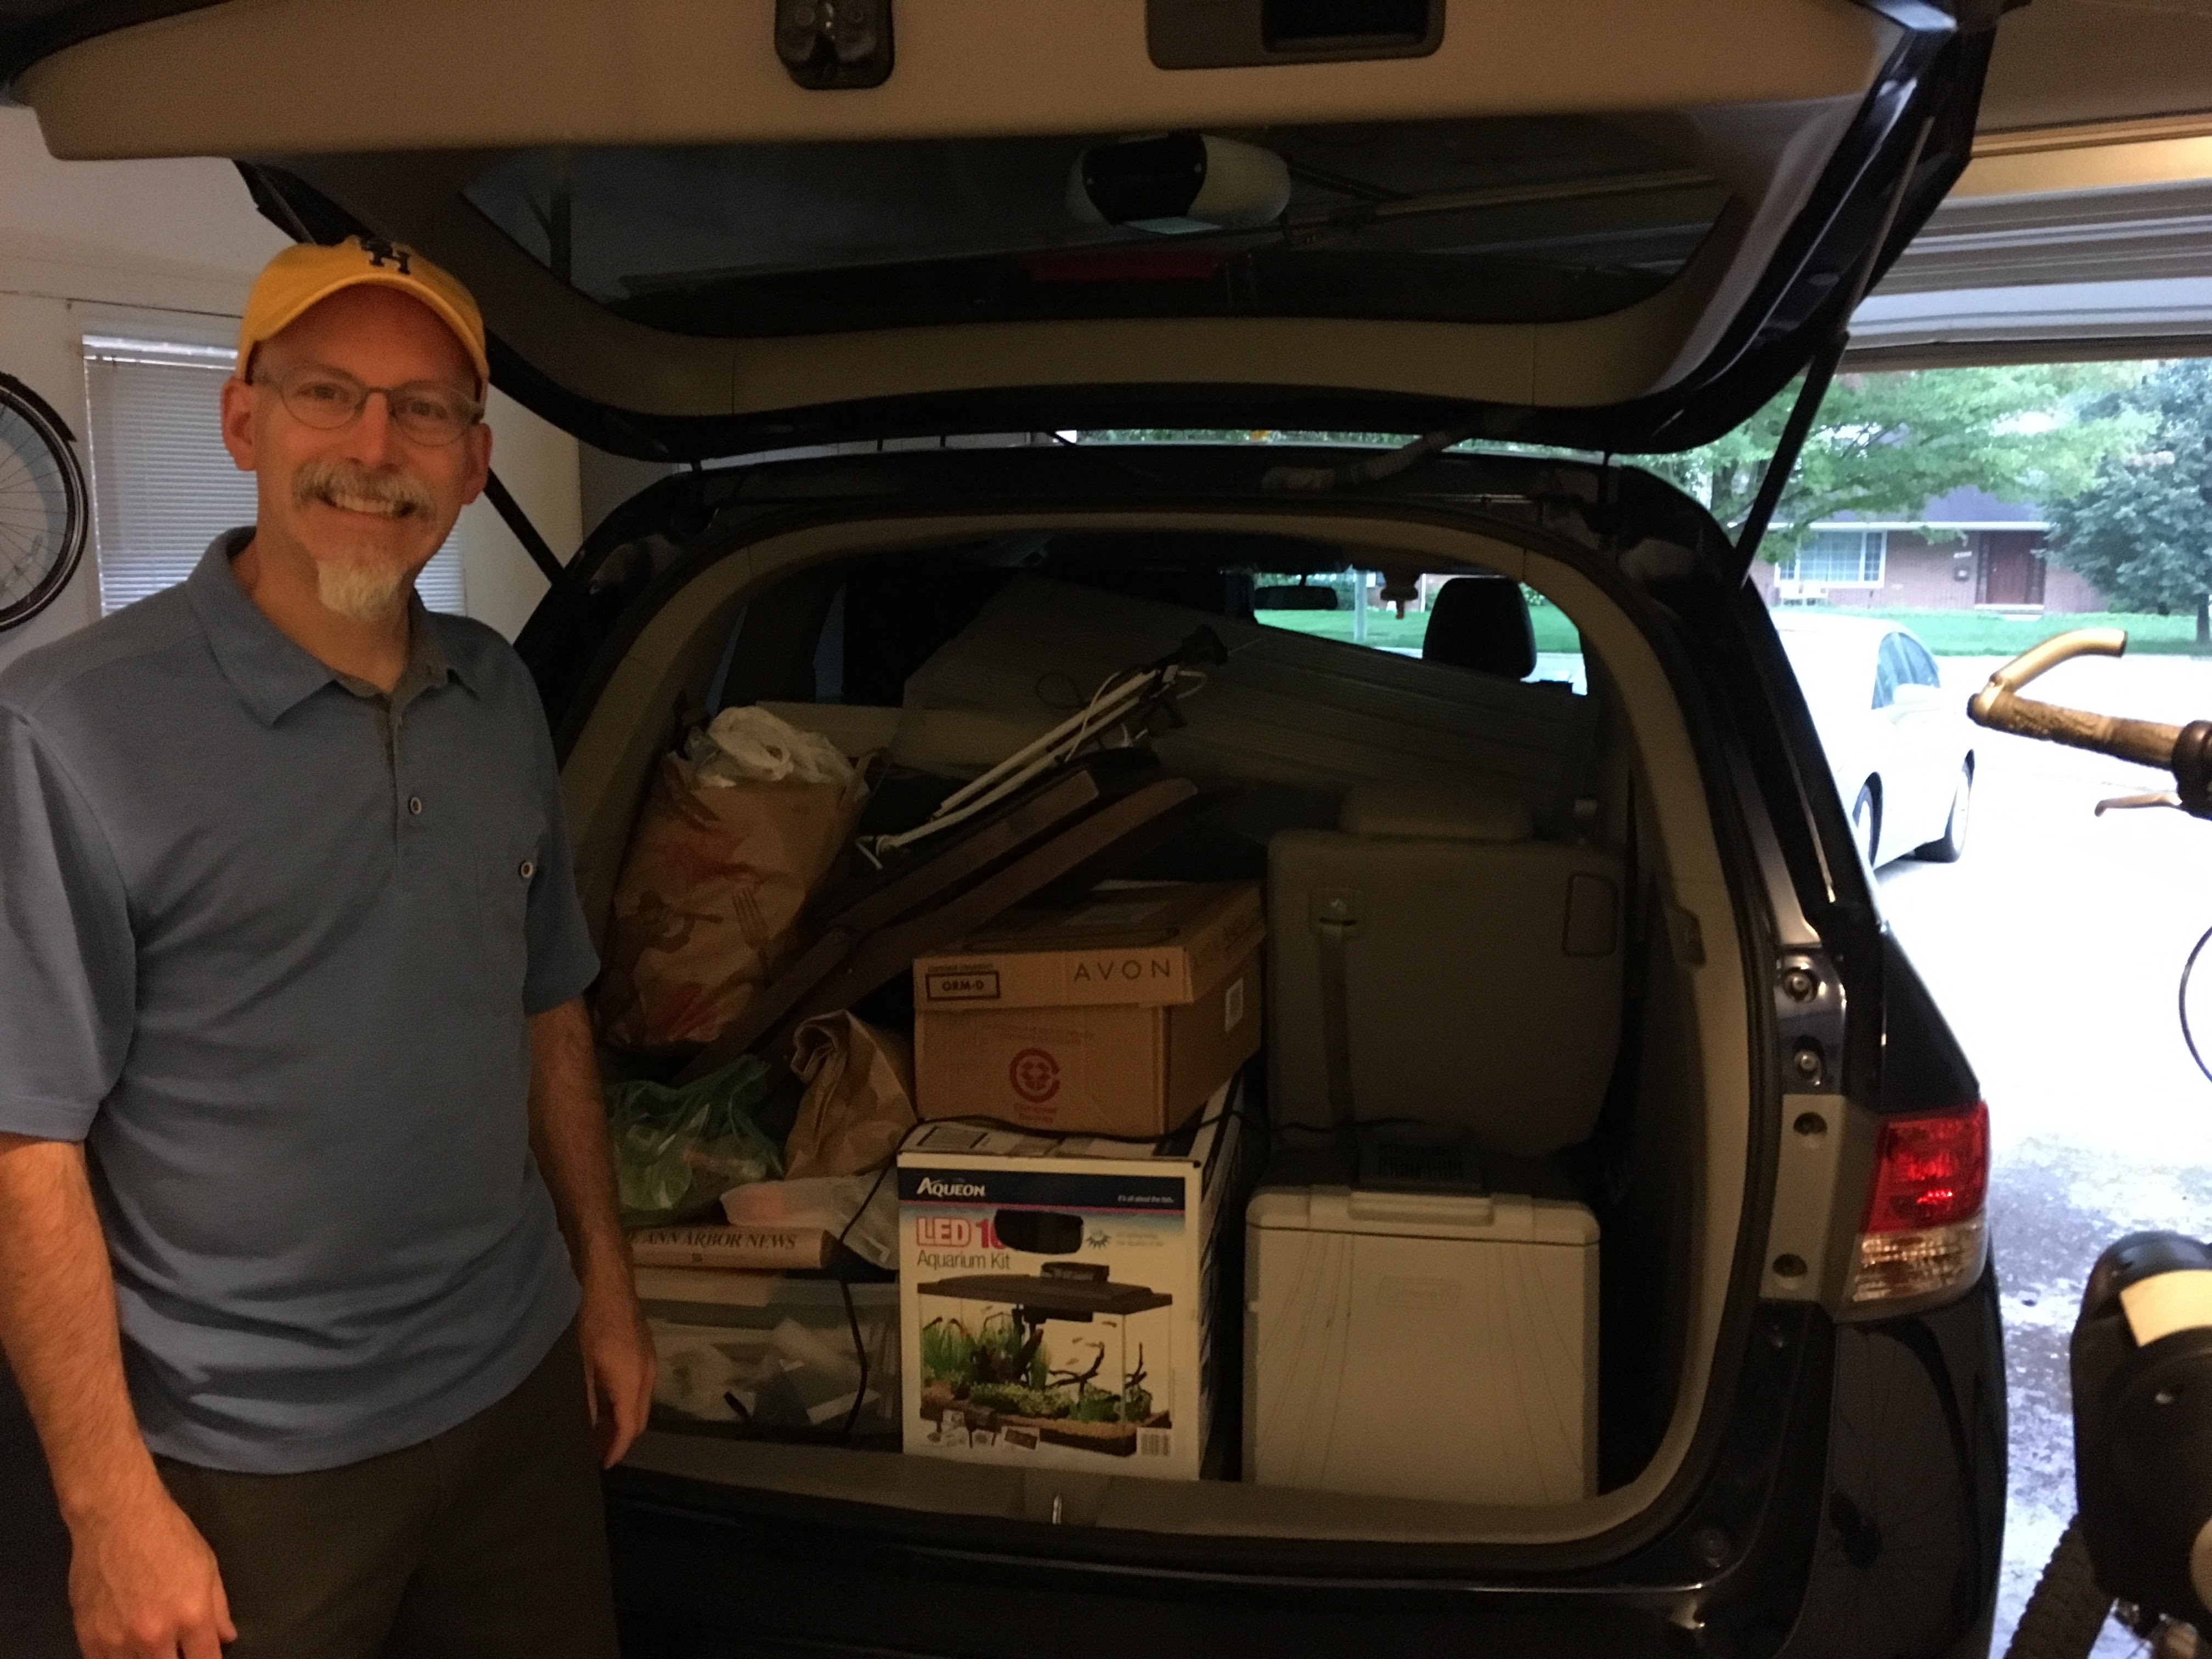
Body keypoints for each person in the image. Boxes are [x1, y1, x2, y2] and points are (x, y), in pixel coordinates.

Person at [0, 236, 653, 1659]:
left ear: (473, 462)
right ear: (245, 421)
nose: (374, 448)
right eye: (327, 395)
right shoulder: (66, 731)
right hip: (249, 1462)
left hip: (515, 1396)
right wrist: (107, 1508)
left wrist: (603, 1287)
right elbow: (23, 1142)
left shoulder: (499, 698)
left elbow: (547, 1006)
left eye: (423, 410)